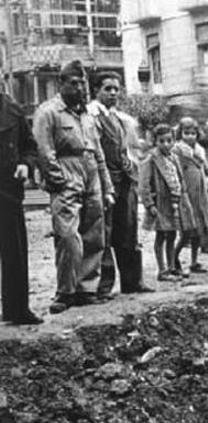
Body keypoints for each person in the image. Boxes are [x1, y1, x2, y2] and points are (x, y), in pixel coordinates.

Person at [33, 60, 115, 314]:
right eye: (74, 83)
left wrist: (107, 186)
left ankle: (86, 288)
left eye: (82, 83)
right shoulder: (49, 112)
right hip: (67, 173)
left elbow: (98, 152)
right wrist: (59, 180)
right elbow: (44, 151)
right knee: (68, 237)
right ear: (62, 84)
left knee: (94, 232)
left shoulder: (86, 115)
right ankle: (65, 291)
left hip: (91, 173)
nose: (80, 88)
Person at [87, 71, 153, 300]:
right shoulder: (91, 116)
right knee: (104, 233)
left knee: (129, 229)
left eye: (116, 89)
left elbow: (131, 147)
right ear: (96, 91)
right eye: (108, 88)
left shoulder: (120, 118)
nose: (113, 93)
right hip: (105, 181)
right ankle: (103, 286)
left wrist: (130, 160)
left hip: (125, 179)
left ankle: (132, 281)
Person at [0, 92, 43, 325]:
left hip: (7, 188)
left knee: (14, 251)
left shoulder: (12, 108)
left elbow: (29, 145)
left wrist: (25, 164)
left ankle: (17, 310)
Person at [140, 124, 195, 281]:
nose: (166, 144)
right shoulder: (151, 159)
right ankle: (162, 270)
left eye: (169, 140)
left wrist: (183, 199)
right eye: (161, 141)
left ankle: (171, 267)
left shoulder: (173, 157)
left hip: (174, 202)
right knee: (161, 235)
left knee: (172, 234)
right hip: (160, 203)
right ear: (155, 142)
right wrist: (149, 204)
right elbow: (144, 185)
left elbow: (179, 179)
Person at [172, 117, 208, 275]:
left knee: (199, 228)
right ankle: (173, 259)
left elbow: (206, 167)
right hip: (186, 191)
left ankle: (194, 261)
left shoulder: (200, 150)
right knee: (187, 230)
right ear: (180, 134)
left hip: (200, 191)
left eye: (193, 133)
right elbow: (174, 170)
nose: (190, 136)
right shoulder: (177, 150)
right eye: (186, 133)